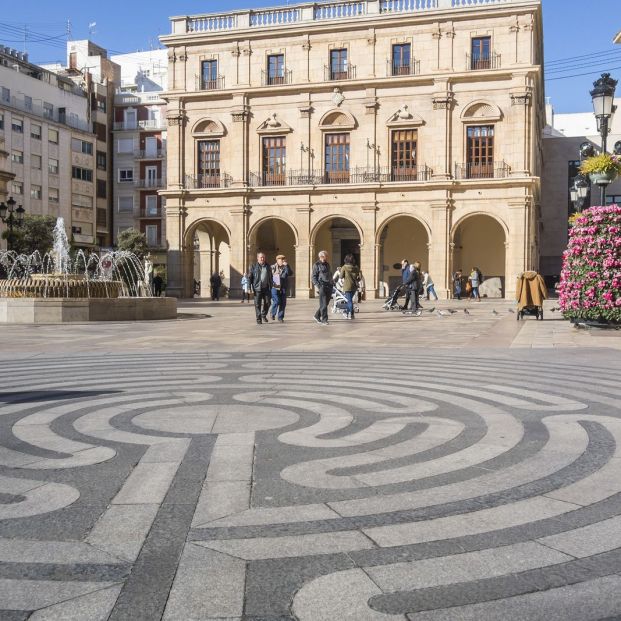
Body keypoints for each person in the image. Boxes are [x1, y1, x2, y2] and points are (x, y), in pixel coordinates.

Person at [249, 252, 273, 324]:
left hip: (266, 288)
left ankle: (263, 314)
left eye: (263, 257)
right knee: (257, 304)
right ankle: (258, 319)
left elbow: (271, 277)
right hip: (257, 288)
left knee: (268, 302)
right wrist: (249, 287)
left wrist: (273, 285)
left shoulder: (268, 266)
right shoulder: (253, 266)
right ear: (257, 258)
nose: (262, 259)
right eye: (261, 257)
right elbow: (250, 277)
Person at [270, 254, 294, 322]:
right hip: (275, 284)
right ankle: (272, 313)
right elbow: (269, 276)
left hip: (283, 286)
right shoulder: (273, 267)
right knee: (277, 301)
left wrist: (287, 266)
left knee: (283, 303)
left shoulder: (286, 267)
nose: (283, 261)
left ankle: (280, 317)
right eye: (281, 259)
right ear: (277, 260)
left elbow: (290, 273)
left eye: (284, 259)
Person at [311, 250, 332, 325]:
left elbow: (329, 274)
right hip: (322, 285)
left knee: (326, 303)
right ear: (321, 257)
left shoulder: (327, 264)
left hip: (329, 285)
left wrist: (332, 282)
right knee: (323, 303)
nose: (327, 257)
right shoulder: (316, 265)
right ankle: (324, 320)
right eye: (326, 256)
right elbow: (313, 277)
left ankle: (317, 315)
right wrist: (318, 285)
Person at [339, 254, 360, 319]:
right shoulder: (356, 267)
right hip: (354, 286)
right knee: (350, 300)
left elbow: (341, 276)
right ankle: (346, 312)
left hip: (347, 286)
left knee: (349, 301)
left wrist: (340, 271)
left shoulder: (344, 267)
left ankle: (351, 314)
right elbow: (359, 277)